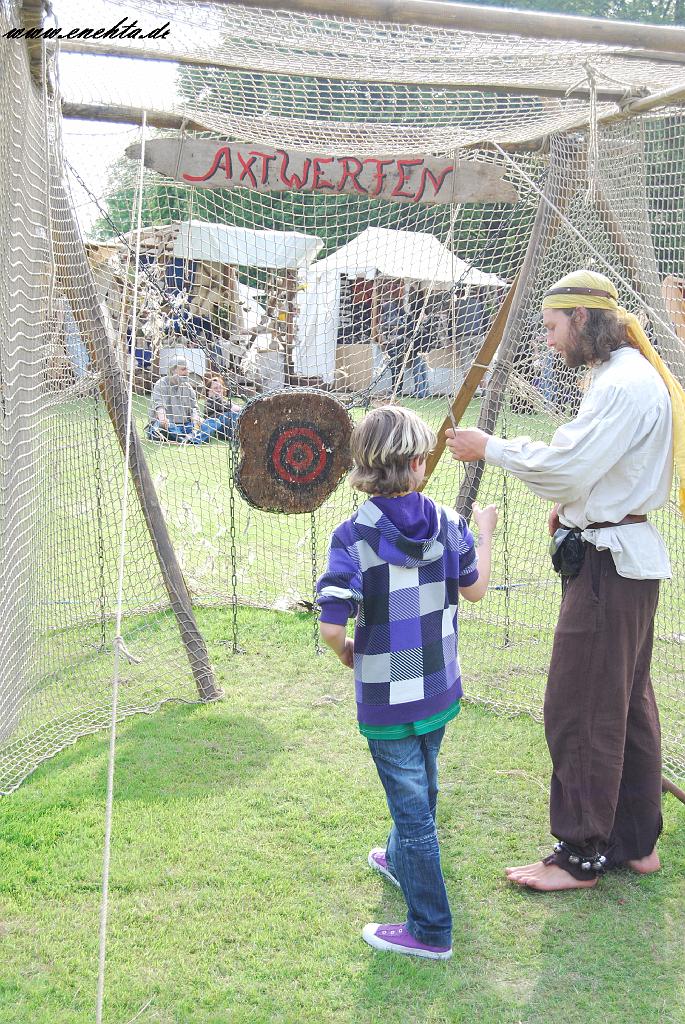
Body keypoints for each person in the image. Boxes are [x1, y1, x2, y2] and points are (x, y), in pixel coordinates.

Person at [445, 268, 685, 891]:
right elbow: (592, 472)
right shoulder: (619, 376)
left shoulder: (625, 384)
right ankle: (635, 844)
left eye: (553, 326)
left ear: (582, 318)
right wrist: (577, 506)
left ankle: (580, 855)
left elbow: (569, 465)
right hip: (617, 557)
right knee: (626, 706)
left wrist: (490, 447)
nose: (549, 339)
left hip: (610, 565)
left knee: (578, 706)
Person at [316, 405, 497, 958]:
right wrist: (484, 534)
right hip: (439, 689)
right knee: (423, 782)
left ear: (362, 466)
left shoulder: (353, 535)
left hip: (387, 702)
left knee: (413, 810)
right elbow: (475, 589)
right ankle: (399, 861)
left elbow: (330, 624)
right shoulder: (449, 521)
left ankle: (430, 931)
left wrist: (347, 649)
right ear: (420, 463)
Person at [147, 355, 206, 443]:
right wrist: (163, 419)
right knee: (159, 426)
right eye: (183, 369)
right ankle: (191, 438)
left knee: (213, 423)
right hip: (168, 426)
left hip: (185, 427)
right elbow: (159, 406)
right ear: (172, 370)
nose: (187, 372)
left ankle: (187, 438)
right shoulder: (161, 384)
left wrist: (196, 419)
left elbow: (194, 408)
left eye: (187, 369)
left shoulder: (188, 387)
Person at [203, 375, 242, 440]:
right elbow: (233, 408)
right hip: (220, 429)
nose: (218, 390)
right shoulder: (212, 399)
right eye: (215, 388)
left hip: (224, 429)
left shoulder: (220, 400)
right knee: (232, 415)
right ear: (208, 391)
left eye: (220, 387)